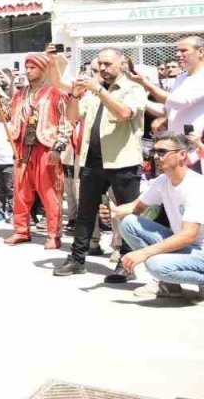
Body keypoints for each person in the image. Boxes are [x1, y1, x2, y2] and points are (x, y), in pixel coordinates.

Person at [53, 48, 147, 281]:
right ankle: (77, 259)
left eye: (108, 64)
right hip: (93, 160)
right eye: (100, 65)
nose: (103, 69)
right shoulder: (94, 90)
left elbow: (125, 113)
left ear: (122, 63)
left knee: (126, 215)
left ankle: (126, 263)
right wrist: (75, 95)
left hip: (122, 161)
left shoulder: (132, 89)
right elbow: (75, 117)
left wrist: (99, 90)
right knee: (85, 212)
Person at [106, 132, 204, 297]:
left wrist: (144, 253)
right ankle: (169, 285)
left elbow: (188, 236)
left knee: (155, 264)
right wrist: (113, 211)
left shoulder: (196, 186)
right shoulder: (162, 181)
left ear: (182, 154)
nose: (156, 157)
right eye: (154, 152)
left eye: (162, 152)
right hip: (185, 244)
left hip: (199, 249)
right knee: (128, 223)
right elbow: (136, 207)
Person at [4, 52, 68, 248]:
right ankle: (21, 230)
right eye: (27, 68)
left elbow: (66, 122)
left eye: (33, 68)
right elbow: (9, 117)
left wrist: (58, 148)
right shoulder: (19, 94)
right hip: (23, 147)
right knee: (21, 192)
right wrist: (0, 110)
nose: (28, 71)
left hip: (45, 147)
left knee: (49, 193)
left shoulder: (56, 93)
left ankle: (53, 235)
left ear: (43, 69)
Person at [135, 36, 204, 138]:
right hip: (177, 143)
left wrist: (145, 83)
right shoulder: (182, 77)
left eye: (183, 51)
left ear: (201, 52)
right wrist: (139, 100)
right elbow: (167, 110)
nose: (178, 54)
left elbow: (178, 102)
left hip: (197, 145)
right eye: (177, 51)